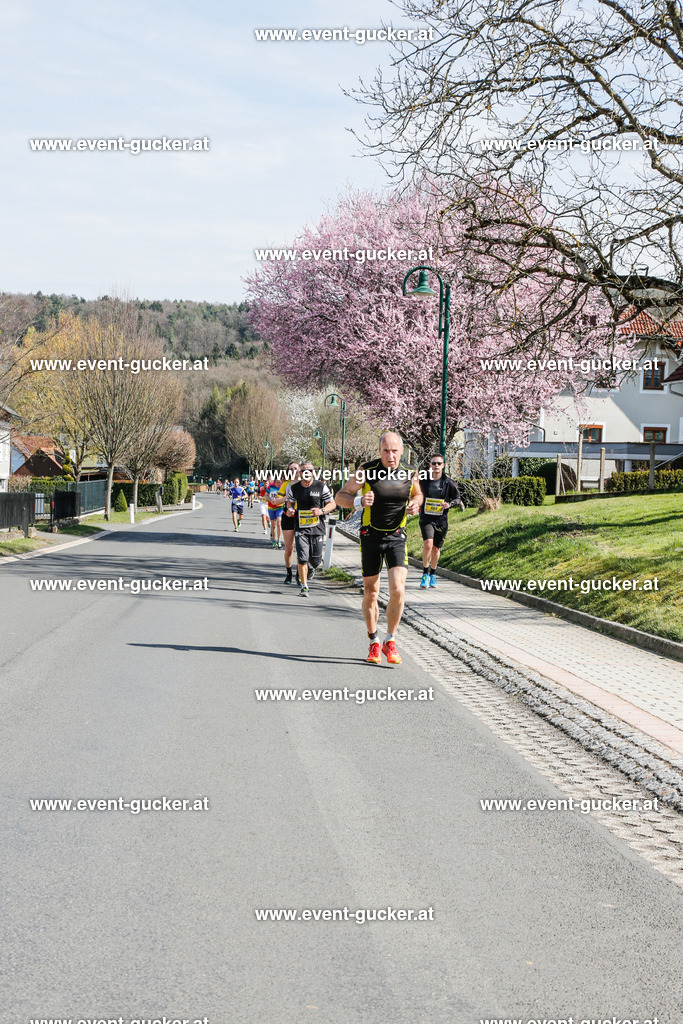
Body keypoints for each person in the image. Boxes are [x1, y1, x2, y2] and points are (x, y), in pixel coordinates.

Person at [335, 431, 422, 664]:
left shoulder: (409, 473)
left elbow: (419, 494)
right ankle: (373, 641)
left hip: (397, 537)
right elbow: (340, 496)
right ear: (379, 451)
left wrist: (415, 504)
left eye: (395, 451)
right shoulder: (367, 471)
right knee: (371, 592)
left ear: (402, 451)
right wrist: (358, 501)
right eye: (386, 451)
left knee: (398, 590)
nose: (390, 455)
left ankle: (390, 641)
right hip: (370, 537)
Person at [285, 461, 336, 597]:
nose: (307, 473)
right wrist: (290, 509)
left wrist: (322, 510)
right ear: (300, 473)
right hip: (301, 527)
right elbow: (290, 501)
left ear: (313, 473)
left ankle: (312, 567)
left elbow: (333, 503)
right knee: (302, 558)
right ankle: (304, 586)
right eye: (304, 471)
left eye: (310, 471)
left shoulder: (320, 486)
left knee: (316, 560)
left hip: (317, 528)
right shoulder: (294, 488)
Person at [419, 454, 465, 588]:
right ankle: (425, 574)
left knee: (435, 548)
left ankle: (433, 574)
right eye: (434, 463)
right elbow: (415, 493)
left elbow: (457, 498)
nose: (436, 466)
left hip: (441, 520)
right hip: (426, 518)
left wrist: (449, 504)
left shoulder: (449, 482)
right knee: (428, 544)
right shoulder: (424, 481)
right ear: (430, 465)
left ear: (443, 465)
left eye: (439, 463)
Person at [274, 461, 301, 585]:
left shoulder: (304, 484)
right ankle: (289, 573)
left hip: (302, 516)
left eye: (295, 468)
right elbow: (276, 501)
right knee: (289, 548)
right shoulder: (286, 484)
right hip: (288, 515)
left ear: (300, 470)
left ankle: (299, 574)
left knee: (301, 548)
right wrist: (287, 497)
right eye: (291, 469)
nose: (293, 470)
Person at [265, 478, 283, 548]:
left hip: (280, 507)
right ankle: (274, 540)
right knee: (273, 525)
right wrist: (270, 500)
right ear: (274, 482)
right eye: (277, 482)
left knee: (279, 523)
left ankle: (279, 540)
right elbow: (266, 495)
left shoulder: (282, 487)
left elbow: (285, 496)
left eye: (280, 482)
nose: (279, 484)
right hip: (271, 508)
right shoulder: (270, 486)